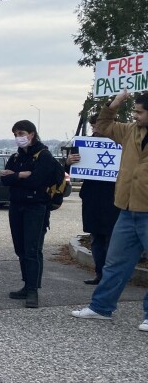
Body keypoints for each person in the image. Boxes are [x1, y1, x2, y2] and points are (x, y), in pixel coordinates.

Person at [72, 90, 148, 332]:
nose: (135, 115)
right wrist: (115, 103)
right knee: (115, 262)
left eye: (139, 111)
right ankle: (101, 307)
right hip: (126, 209)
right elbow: (104, 125)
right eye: (134, 111)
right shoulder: (129, 131)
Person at [0, 119, 58, 308]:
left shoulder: (43, 155)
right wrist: (20, 175)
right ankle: (26, 285)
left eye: (21, 133)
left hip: (36, 207)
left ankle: (33, 290)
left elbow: (37, 181)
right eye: (16, 134)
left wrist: (15, 176)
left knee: (32, 249)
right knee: (21, 249)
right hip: (16, 206)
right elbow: (5, 180)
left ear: (31, 134)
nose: (18, 138)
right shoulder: (17, 157)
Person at [66, 114, 120, 285]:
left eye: (98, 126)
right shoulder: (84, 144)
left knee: (113, 240)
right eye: (93, 126)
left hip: (115, 198)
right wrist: (68, 161)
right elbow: (71, 168)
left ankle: (112, 278)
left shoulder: (122, 143)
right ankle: (100, 274)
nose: (95, 130)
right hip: (92, 198)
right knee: (96, 238)